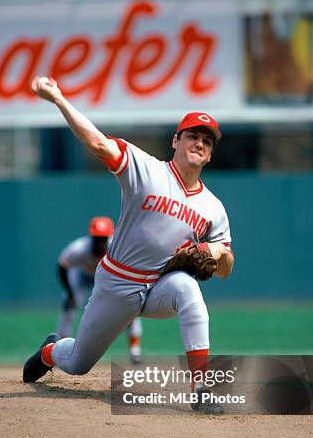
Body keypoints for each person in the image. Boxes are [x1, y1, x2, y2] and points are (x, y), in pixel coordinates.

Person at [23, 76, 234, 414]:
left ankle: (200, 388)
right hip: (118, 282)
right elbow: (97, 144)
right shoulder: (147, 170)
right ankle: (50, 351)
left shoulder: (213, 208)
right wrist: (59, 99)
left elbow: (225, 270)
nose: (200, 143)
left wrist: (219, 251)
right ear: (175, 141)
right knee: (78, 363)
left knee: (189, 290)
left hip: (159, 285)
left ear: (209, 155)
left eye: (207, 141)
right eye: (192, 135)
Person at [57, 216, 143, 364]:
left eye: (103, 238)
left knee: (130, 304)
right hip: (82, 276)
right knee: (69, 304)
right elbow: (62, 266)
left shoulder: (117, 248)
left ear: (110, 237)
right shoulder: (80, 248)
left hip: (105, 278)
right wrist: (70, 293)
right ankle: (60, 347)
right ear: (91, 237)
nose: (100, 242)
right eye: (97, 238)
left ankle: (135, 349)